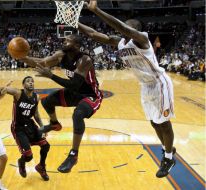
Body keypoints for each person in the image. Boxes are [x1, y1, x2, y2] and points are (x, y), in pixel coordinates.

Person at [78, 0, 176, 178]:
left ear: (134, 29)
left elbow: (124, 29)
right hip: (145, 86)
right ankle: (168, 148)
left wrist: (96, 10)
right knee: (154, 122)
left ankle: (169, 157)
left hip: (159, 83)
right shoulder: (121, 42)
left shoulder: (142, 39)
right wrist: (74, 22)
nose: (122, 30)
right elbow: (93, 34)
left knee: (163, 122)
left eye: (127, 27)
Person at [21, 34, 103, 173]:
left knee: (78, 115)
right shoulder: (60, 55)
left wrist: (51, 75)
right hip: (74, 92)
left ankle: (73, 155)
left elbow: (75, 84)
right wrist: (24, 58)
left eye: (68, 40)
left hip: (90, 95)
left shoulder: (85, 59)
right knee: (47, 101)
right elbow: (43, 62)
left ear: (76, 45)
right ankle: (54, 124)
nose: (64, 41)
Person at [0, 76, 50, 181]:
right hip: (18, 128)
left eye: (32, 81)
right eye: (28, 81)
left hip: (30, 125)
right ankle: (21, 162)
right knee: (28, 156)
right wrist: (6, 86)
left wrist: (42, 127)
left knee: (45, 145)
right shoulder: (18, 93)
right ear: (23, 85)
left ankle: (41, 166)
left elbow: (36, 114)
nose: (31, 83)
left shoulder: (36, 97)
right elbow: (3, 89)